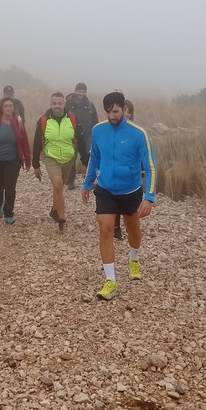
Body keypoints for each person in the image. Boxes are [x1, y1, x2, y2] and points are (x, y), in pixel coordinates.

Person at [82, 91, 157, 301]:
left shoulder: (138, 133)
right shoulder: (98, 130)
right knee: (105, 228)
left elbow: (151, 166)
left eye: (115, 111)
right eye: (108, 112)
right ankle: (110, 281)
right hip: (105, 189)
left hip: (130, 190)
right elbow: (94, 159)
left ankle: (134, 258)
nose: (111, 116)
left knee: (133, 228)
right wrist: (87, 184)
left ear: (124, 109)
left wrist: (149, 197)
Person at [32, 92, 88, 233]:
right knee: (58, 185)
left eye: (59, 103)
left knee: (59, 187)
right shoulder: (43, 120)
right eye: (54, 103)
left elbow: (81, 140)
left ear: (64, 104)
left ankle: (54, 210)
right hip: (50, 157)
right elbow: (36, 143)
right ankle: (61, 218)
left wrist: (85, 161)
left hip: (69, 158)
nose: (57, 106)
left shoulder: (73, 119)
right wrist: (36, 165)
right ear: (50, 104)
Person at [0, 97, 31, 225]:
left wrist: (28, 159)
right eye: (6, 106)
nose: (8, 108)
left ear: (13, 108)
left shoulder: (18, 121)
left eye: (10, 106)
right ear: (1, 108)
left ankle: (8, 213)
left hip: (13, 160)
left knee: (10, 188)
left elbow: (24, 141)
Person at [65, 83, 98, 189]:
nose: (81, 93)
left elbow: (95, 121)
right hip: (71, 135)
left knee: (89, 158)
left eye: (83, 91)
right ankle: (70, 182)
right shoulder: (67, 105)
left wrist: (95, 135)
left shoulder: (90, 105)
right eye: (79, 91)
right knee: (70, 157)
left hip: (87, 135)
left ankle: (89, 181)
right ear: (75, 91)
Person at [114, 99, 136, 240]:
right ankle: (116, 226)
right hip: (115, 172)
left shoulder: (136, 131)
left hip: (131, 174)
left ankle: (130, 226)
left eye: (129, 112)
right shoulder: (112, 130)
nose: (127, 114)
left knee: (129, 202)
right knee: (115, 199)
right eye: (125, 111)